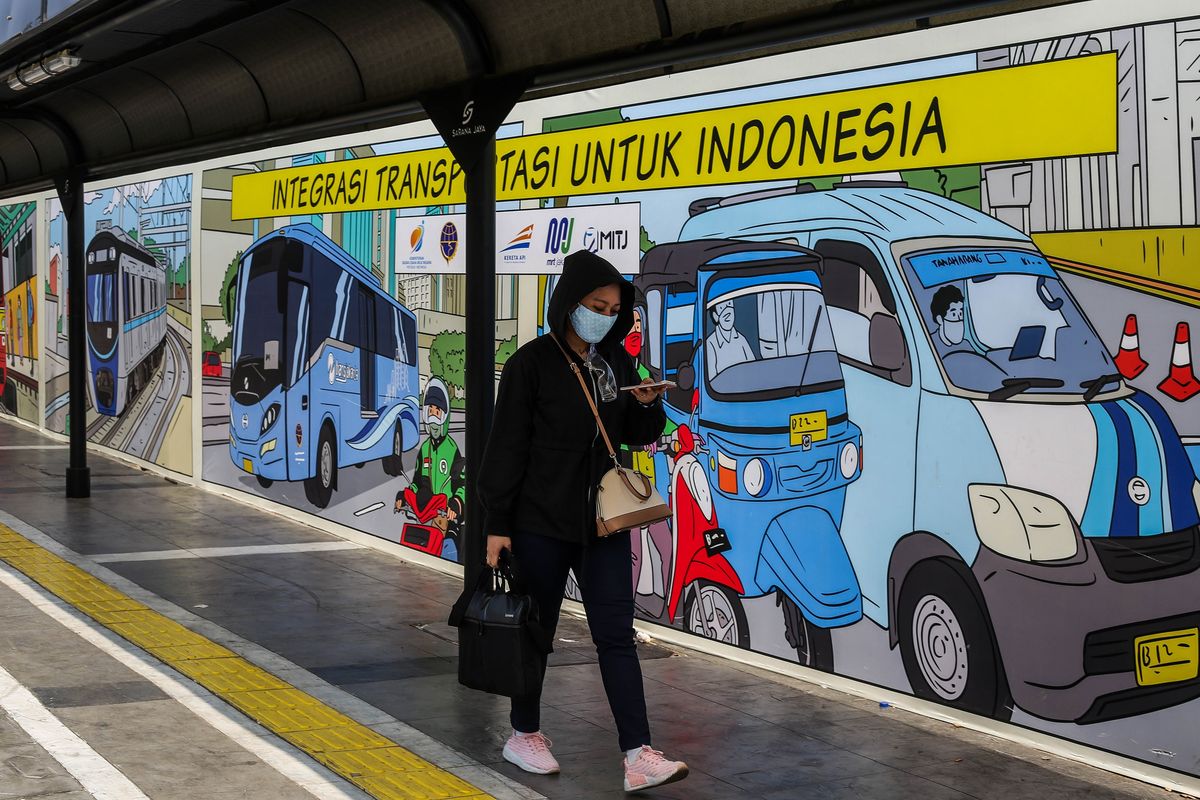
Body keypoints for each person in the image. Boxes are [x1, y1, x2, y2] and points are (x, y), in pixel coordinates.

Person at [478, 250, 689, 793]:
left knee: (616, 635)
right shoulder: (530, 364)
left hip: (602, 524)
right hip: (538, 523)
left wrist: (645, 404)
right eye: (597, 305)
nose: (605, 315)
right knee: (537, 631)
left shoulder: (614, 362)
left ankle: (638, 754)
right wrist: (498, 523)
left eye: (614, 308)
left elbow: (633, 434)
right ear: (570, 304)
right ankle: (523, 733)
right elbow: (506, 448)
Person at [394, 377, 465, 540]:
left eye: (437, 412)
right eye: (430, 410)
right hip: (426, 519)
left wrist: (456, 502)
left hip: (446, 520)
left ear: (444, 416)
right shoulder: (425, 448)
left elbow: (461, 483)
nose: (433, 417)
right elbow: (418, 482)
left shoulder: (452, 449)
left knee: (450, 547)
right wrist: (405, 496)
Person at [705, 298, 755, 377]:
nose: (728, 312)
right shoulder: (710, 344)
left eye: (729, 305)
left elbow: (753, 368)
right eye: (721, 308)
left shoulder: (741, 339)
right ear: (715, 316)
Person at [931, 285, 967, 352]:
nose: (959, 318)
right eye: (953, 314)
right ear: (940, 319)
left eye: (961, 314)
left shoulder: (967, 346)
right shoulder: (929, 342)